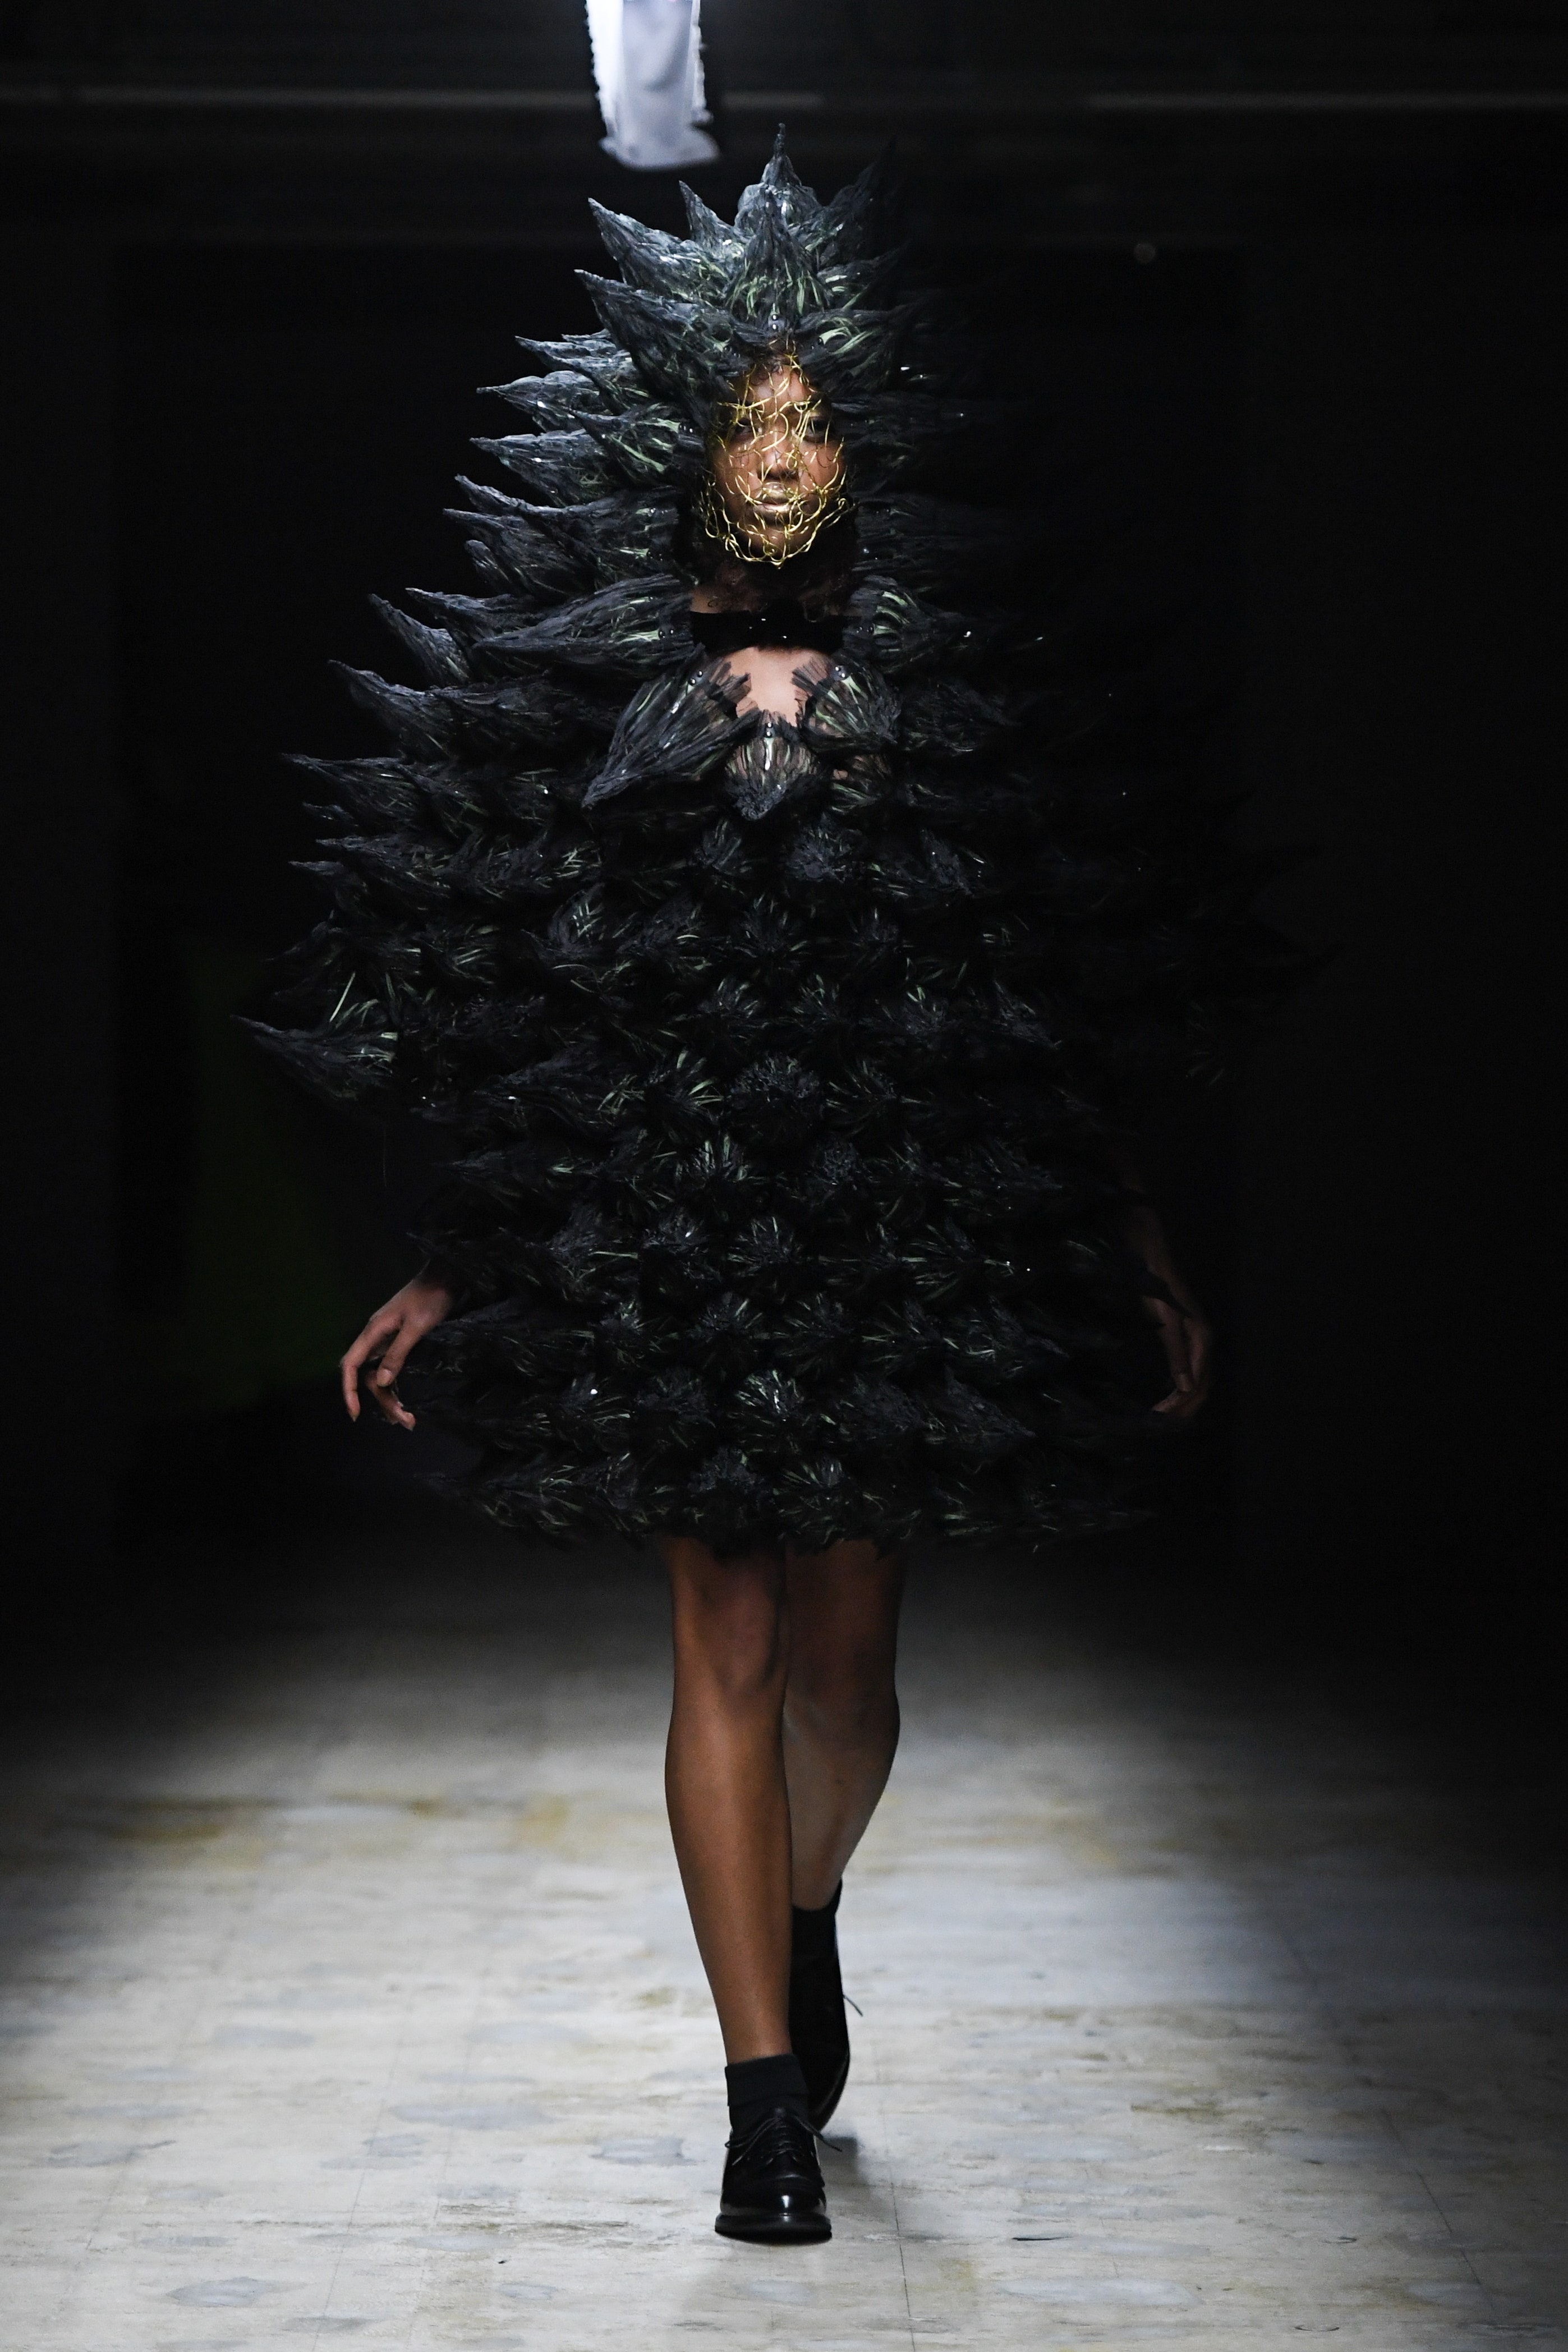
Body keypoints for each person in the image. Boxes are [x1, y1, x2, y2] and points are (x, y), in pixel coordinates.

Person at [256, 141, 1264, 2245]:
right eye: (751, 417)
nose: (785, 454)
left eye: (816, 418)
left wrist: (1127, 1235)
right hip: (668, 1224)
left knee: (847, 1664)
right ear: (680, 443)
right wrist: (458, 1256)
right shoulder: (571, 685)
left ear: (869, 444)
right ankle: (759, 2107)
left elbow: (1033, 981)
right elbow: (520, 988)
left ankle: (801, 1921)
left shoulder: (958, 682)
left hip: (898, 1211)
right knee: (722, 1633)